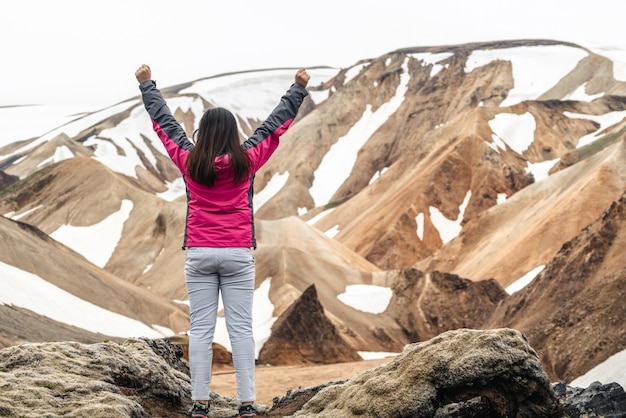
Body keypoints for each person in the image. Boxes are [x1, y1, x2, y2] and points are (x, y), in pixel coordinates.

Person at [135, 64, 310, 418]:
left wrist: (147, 86)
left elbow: (165, 125)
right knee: (241, 328)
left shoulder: (188, 160)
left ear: (202, 133)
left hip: (199, 253)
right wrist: (297, 89)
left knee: (200, 329)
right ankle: (247, 405)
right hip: (237, 254)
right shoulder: (247, 160)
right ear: (232, 133)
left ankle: (200, 405)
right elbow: (272, 127)